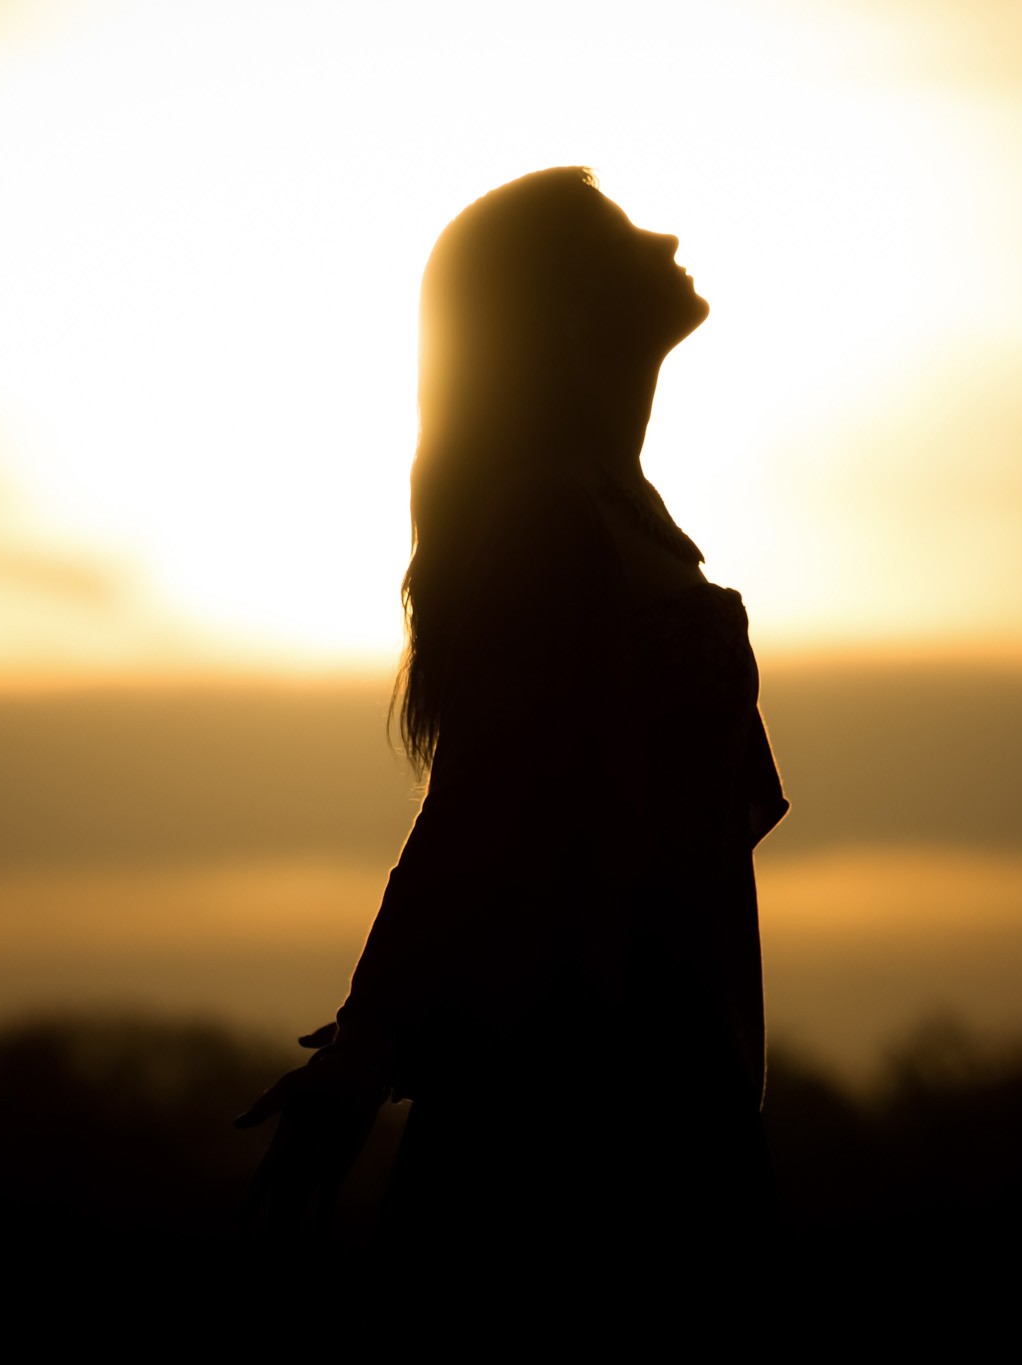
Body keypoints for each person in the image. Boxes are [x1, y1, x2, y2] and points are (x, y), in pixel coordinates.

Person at [236, 167, 787, 1285]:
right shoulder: (551, 515)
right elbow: (478, 802)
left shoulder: (627, 516)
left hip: (675, 1057)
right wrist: (372, 1034)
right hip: (580, 1079)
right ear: (566, 303)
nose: (666, 233)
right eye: (621, 229)